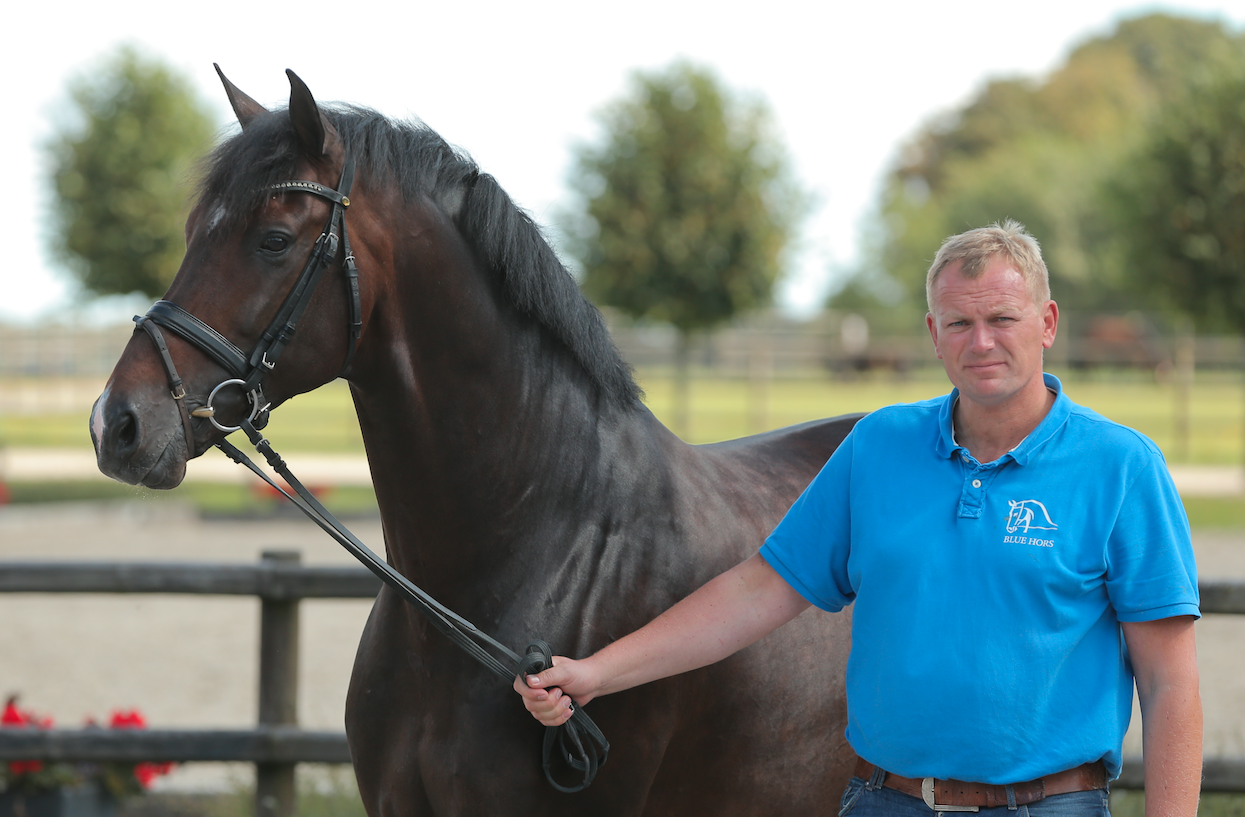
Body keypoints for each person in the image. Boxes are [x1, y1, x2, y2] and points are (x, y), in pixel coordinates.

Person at [515, 221, 1202, 816]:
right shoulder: (879, 446)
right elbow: (758, 589)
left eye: (1003, 318)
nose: (981, 341)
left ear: (1047, 323)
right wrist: (598, 672)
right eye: (960, 322)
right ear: (934, 333)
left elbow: (1170, 681)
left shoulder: (1121, 466)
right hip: (887, 800)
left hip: (1054, 804)